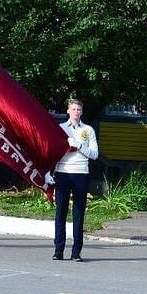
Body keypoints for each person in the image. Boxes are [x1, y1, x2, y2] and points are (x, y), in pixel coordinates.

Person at [51, 98, 98, 262]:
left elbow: (94, 154)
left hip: (81, 173)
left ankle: (76, 252)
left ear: (82, 112)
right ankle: (58, 250)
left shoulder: (88, 130)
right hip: (63, 172)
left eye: (78, 109)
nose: (76, 112)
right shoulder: (60, 128)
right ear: (68, 111)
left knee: (78, 213)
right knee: (60, 212)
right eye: (73, 109)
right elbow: (52, 151)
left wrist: (79, 145)